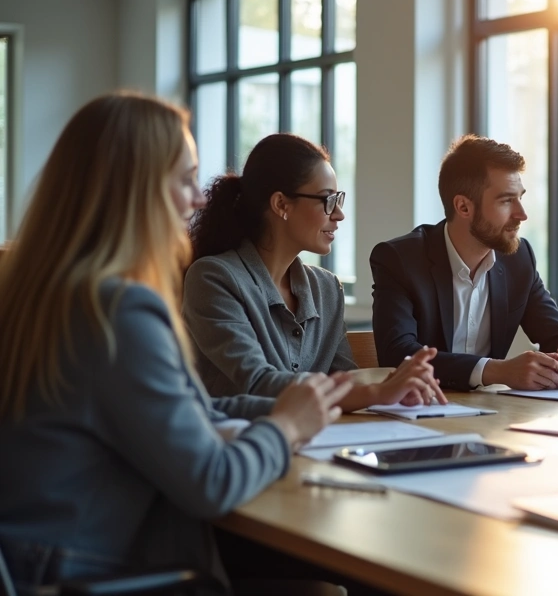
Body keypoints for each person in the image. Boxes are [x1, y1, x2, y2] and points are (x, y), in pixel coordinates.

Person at [0, 93, 350, 591]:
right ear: (136, 190)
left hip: (37, 561)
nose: (199, 199)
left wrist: (287, 410)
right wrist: (285, 428)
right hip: (88, 572)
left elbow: (188, 408)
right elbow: (211, 482)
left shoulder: (48, 293)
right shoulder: (118, 311)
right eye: (185, 180)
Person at [183, 133, 444, 410]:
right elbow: (258, 383)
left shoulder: (327, 288)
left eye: (338, 199)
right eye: (327, 200)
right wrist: (377, 392)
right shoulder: (212, 278)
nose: (339, 214)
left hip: (318, 435)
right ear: (281, 205)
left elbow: (346, 380)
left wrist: (397, 387)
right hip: (240, 435)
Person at [370, 135, 558, 391]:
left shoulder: (518, 259)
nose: (522, 214)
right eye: (506, 201)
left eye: (520, 198)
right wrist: (497, 371)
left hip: (493, 411)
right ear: (463, 207)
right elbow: (398, 355)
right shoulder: (399, 259)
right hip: (420, 408)